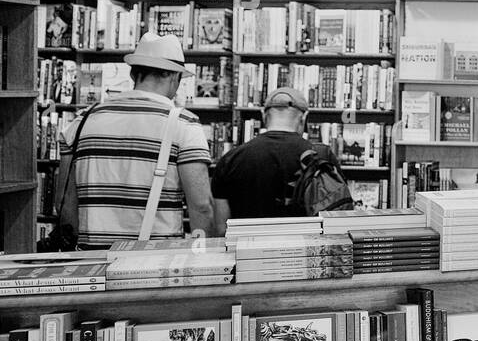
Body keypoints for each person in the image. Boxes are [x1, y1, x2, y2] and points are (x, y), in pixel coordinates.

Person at [56, 32, 214, 249]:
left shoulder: (82, 121)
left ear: (133, 73)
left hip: (91, 259)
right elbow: (201, 206)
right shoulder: (184, 124)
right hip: (156, 261)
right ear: (173, 76)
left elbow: (64, 203)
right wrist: (202, 254)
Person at [211, 86, 337, 231]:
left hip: (247, 251)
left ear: (263, 115)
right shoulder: (321, 158)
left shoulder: (230, 159)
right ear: (304, 117)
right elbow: (334, 220)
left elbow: (221, 230)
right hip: (304, 250)